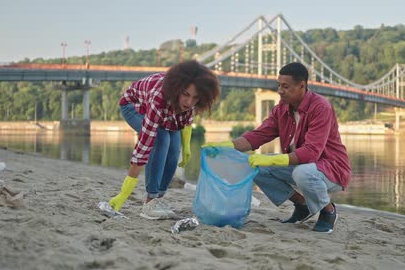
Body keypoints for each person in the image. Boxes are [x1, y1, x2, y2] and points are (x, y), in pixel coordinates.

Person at [203, 62, 351, 233]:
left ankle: (328, 211)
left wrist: (272, 158)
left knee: (302, 173)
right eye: (279, 85)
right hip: (303, 167)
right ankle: (302, 204)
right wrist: (226, 146)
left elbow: (311, 152)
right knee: (254, 166)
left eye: (285, 86)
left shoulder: (321, 107)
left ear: (302, 86)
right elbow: (257, 136)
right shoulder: (280, 109)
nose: (280, 91)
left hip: (332, 169)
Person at [109, 60, 220, 219]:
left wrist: (186, 147)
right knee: (161, 140)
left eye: (195, 98)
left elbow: (187, 121)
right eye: (186, 95)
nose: (189, 103)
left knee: (174, 150)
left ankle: (157, 200)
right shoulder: (158, 98)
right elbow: (144, 146)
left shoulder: (187, 103)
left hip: (168, 111)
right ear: (177, 89)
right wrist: (124, 193)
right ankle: (149, 201)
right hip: (134, 106)